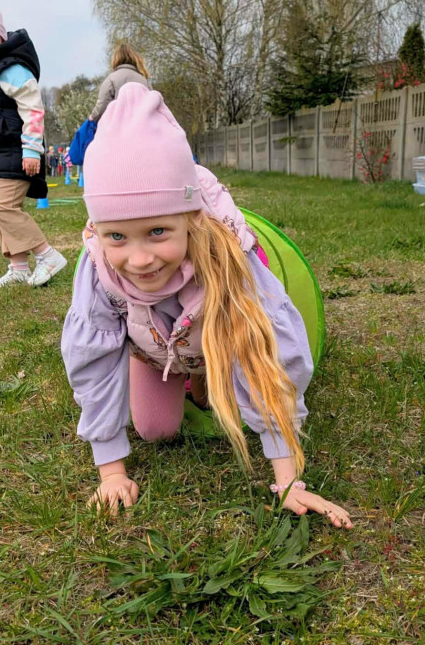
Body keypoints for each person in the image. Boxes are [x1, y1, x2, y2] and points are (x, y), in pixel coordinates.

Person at [61, 84, 352, 529]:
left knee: (227, 393)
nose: (139, 259)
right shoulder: (98, 266)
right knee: (156, 430)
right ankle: (189, 375)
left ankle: (202, 372)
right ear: (97, 229)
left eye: (158, 231)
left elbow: (265, 355)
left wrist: (288, 479)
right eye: (118, 235)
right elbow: (93, 360)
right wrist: (111, 471)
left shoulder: (226, 256)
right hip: (152, 346)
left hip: (215, 339)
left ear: (193, 217)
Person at [0, 0, 67, 288]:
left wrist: (32, 148)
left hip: (15, 152)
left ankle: (47, 255)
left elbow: (33, 108)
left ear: (1, 34)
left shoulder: (10, 67)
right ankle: (18, 267)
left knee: (6, 207)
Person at [89, 43, 150, 123]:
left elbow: (102, 105)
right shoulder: (143, 80)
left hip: (120, 126)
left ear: (115, 59)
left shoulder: (111, 79)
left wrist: (92, 117)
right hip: (142, 125)